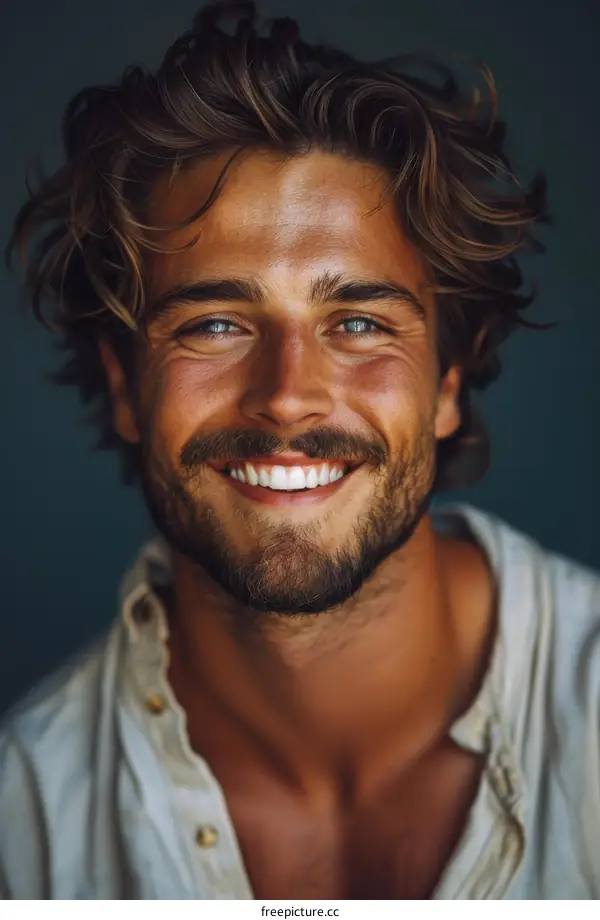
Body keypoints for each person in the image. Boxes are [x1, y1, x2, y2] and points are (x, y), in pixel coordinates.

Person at [1, 0, 598, 901]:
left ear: (448, 382)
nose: (286, 394)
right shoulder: (25, 820)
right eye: (215, 323)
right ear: (125, 386)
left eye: (357, 321)